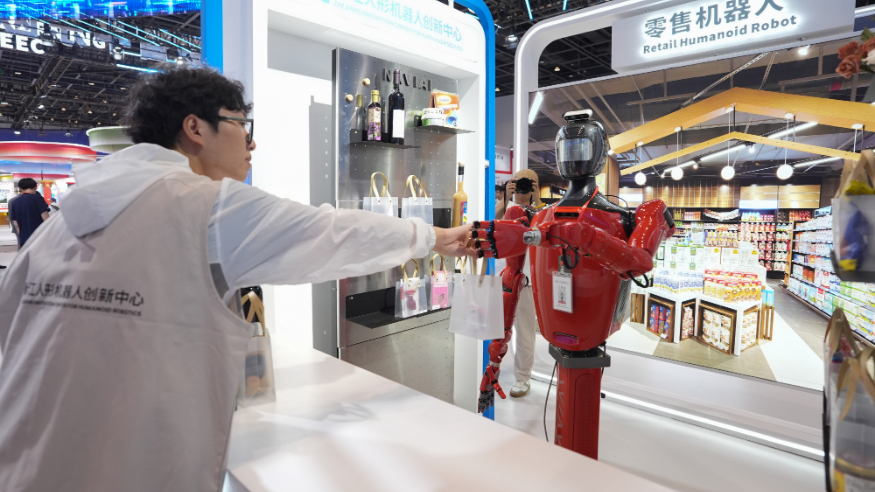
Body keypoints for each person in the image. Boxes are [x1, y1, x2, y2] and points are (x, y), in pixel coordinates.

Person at [0, 66, 474, 492]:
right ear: (195, 128)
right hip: (133, 469)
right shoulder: (206, 205)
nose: (251, 143)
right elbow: (329, 232)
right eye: (242, 126)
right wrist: (434, 237)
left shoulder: (60, 224)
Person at [504, 169, 545, 398]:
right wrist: (505, 197)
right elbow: (493, 224)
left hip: (531, 280)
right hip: (507, 278)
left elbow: (548, 228)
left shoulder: (541, 211)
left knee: (526, 332)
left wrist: (537, 200)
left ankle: (523, 377)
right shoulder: (506, 208)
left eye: (529, 183)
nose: (523, 186)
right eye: (519, 182)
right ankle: (497, 369)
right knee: (501, 328)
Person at [8, 178, 49, 248]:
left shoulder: (15, 202)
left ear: (20, 188)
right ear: (36, 187)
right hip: (39, 237)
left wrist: (21, 236)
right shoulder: (38, 198)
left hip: (24, 239)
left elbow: (16, 224)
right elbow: (46, 219)